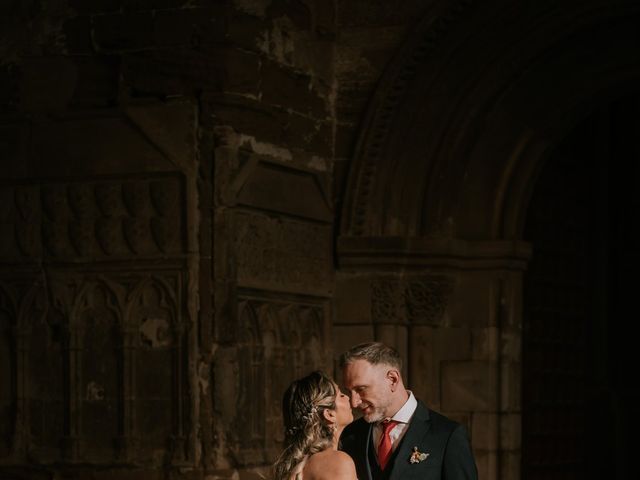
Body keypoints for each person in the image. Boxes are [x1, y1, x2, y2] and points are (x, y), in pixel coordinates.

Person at [339, 342, 477, 480]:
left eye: (361, 389)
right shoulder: (350, 435)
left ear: (393, 379)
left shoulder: (447, 435)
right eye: (349, 391)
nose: (354, 402)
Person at [273, 370, 358, 480]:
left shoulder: (295, 467)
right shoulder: (337, 463)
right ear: (329, 414)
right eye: (341, 395)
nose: (347, 397)